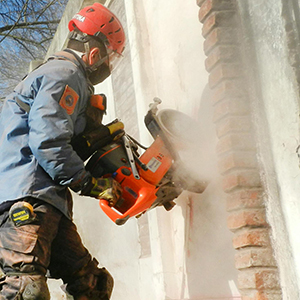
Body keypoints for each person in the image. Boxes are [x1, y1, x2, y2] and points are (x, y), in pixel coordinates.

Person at [0, 3, 125, 299]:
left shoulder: (54, 75)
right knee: (24, 290)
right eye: (110, 58)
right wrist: (90, 183)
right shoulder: (65, 74)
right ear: (95, 53)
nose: (108, 66)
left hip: (47, 202)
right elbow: (48, 142)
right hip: (28, 198)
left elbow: (59, 138)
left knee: (92, 285)